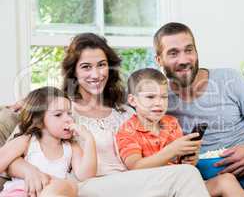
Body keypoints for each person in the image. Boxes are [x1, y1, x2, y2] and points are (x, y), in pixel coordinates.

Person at [6, 33, 210, 197]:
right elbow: (14, 152)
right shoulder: (62, 113)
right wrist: (29, 171)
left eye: (102, 65)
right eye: (86, 67)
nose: (96, 75)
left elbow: (152, 151)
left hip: (132, 183)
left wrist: (182, 155)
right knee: (186, 176)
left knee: (187, 173)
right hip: (87, 186)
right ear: (73, 72)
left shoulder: (126, 111)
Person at [153, 22, 244, 196]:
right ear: (159, 60)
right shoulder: (157, 100)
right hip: (235, 180)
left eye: (189, 50)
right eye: (173, 53)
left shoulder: (228, 80)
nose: (184, 60)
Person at [116, 68, 244, 197]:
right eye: (150, 97)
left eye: (163, 97)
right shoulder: (127, 130)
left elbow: (183, 165)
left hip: (182, 183)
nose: (158, 103)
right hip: (154, 189)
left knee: (226, 180)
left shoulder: (171, 123)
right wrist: (171, 151)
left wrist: (191, 158)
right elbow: (135, 167)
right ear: (133, 100)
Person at [0, 86, 97, 197]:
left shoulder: (71, 147)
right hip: (21, 192)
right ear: (39, 121)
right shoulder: (27, 141)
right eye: (58, 114)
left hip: (51, 192)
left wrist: (89, 139)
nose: (69, 119)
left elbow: (86, 175)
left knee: (69, 186)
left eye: (69, 113)